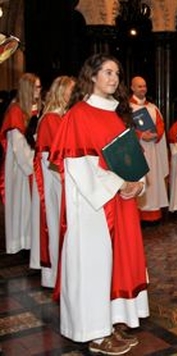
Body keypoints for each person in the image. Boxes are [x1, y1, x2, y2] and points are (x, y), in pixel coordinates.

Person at [48, 54, 148, 354]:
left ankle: (112, 323)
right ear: (91, 76)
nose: (114, 78)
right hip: (92, 207)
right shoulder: (78, 114)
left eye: (117, 73)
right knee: (93, 265)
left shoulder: (118, 115)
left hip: (120, 202)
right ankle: (94, 332)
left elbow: (132, 158)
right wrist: (120, 184)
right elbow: (80, 166)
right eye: (107, 72)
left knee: (118, 263)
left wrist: (139, 182)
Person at [32, 75, 75, 288]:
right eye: (71, 90)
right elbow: (52, 158)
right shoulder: (51, 119)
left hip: (63, 180)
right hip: (56, 182)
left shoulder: (63, 117)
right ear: (61, 92)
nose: (74, 94)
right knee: (56, 224)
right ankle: (58, 276)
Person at [1, 73, 41, 254]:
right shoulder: (16, 110)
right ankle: (20, 242)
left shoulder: (37, 108)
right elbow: (17, 145)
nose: (39, 91)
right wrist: (32, 163)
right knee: (21, 205)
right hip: (21, 167)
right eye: (36, 87)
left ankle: (32, 241)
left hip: (34, 162)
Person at [129, 76, 169, 224]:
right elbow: (123, 127)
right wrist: (140, 135)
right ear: (132, 88)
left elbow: (160, 126)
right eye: (139, 86)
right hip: (136, 150)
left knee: (152, 181)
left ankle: (152, 216)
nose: (143, 89)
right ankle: (136, 216)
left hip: (152, 150)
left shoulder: (153, 108)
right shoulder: (126, 107)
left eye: (144, 86)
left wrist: (155, 135)